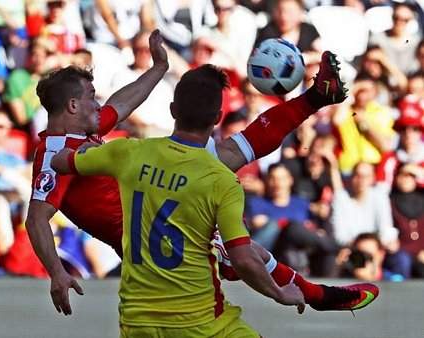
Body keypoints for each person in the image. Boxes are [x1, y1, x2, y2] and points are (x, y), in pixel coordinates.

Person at [26, 36, 378, 316]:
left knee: (221, 154)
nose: (99, 104)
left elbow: (123, 104)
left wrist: (159, 68)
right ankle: (317, 295)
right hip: (159, 236)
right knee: (242, 249)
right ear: (72, 106)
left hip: (160, 205)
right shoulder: (53, 155)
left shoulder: (81, 134)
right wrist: (56, 271)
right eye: (91, 97)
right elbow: (36, 219)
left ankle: (316, 97)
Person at [51, 63, 306, 336]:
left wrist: (89, 149)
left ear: (173, 111)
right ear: (218, 117)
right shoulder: (221, 180)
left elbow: (58, 161)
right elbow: (243, 259)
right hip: (200, 322)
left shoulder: (129, 152)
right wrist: (279, 293)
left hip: (138, 323)